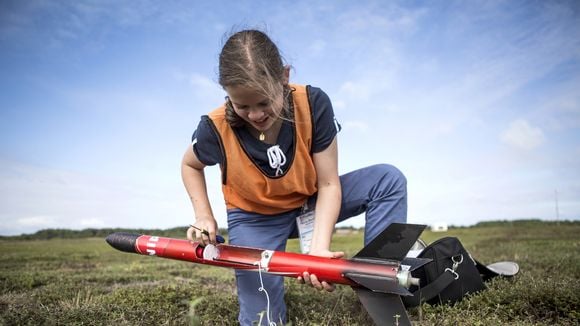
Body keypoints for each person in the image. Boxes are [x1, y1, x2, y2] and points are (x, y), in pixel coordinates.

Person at [181, 29, 407, 325]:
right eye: (242, 105)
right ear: (227, 93)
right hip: (254, 218)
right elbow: (190, 164)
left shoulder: (313, 104)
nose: (255, 114)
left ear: (284, 77)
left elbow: (328, 183)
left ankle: (378, 283)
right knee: (262, 320)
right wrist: (203, 216)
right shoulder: (214, 127)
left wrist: (318, 249)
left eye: (264, 102)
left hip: (308, 202)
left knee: (387, 180)